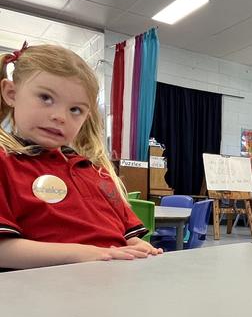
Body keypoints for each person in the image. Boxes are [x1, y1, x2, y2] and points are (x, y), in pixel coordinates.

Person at [0, 42, 162, 270]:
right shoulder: (5, 162)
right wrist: (85, 253)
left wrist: (138, 246)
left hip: (112, 284)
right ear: (11, 94)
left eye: (75, 110)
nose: (60, 117)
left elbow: (123, 236)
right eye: (46, 97)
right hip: (44, 292)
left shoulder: (95, 171)